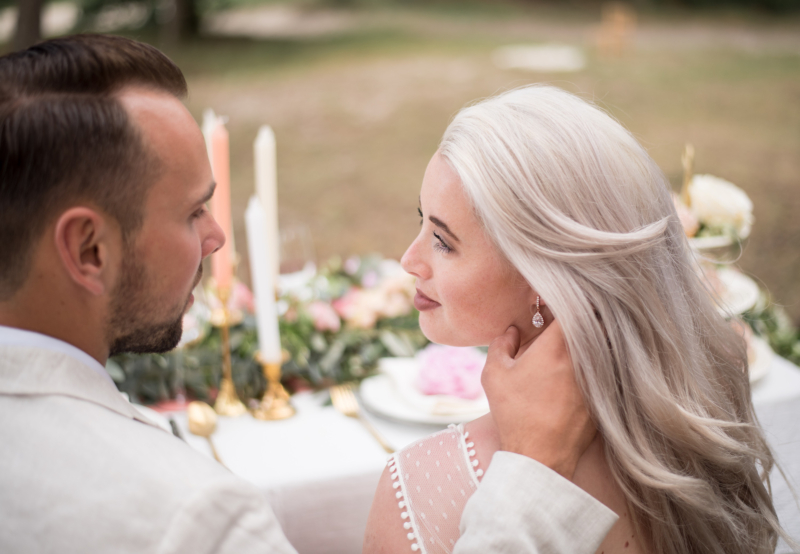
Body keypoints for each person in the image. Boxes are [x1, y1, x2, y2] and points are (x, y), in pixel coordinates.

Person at [0, 35, 619, 553]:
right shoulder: (193, 520)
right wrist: (533, 479)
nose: (217, 238)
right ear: (89, 250)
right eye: (192, 213)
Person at [364, 85, 791, 554]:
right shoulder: (710, 398)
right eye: (421, 220)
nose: (409, 259)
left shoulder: (419, 489)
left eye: (443, 241)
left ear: (542, 275)